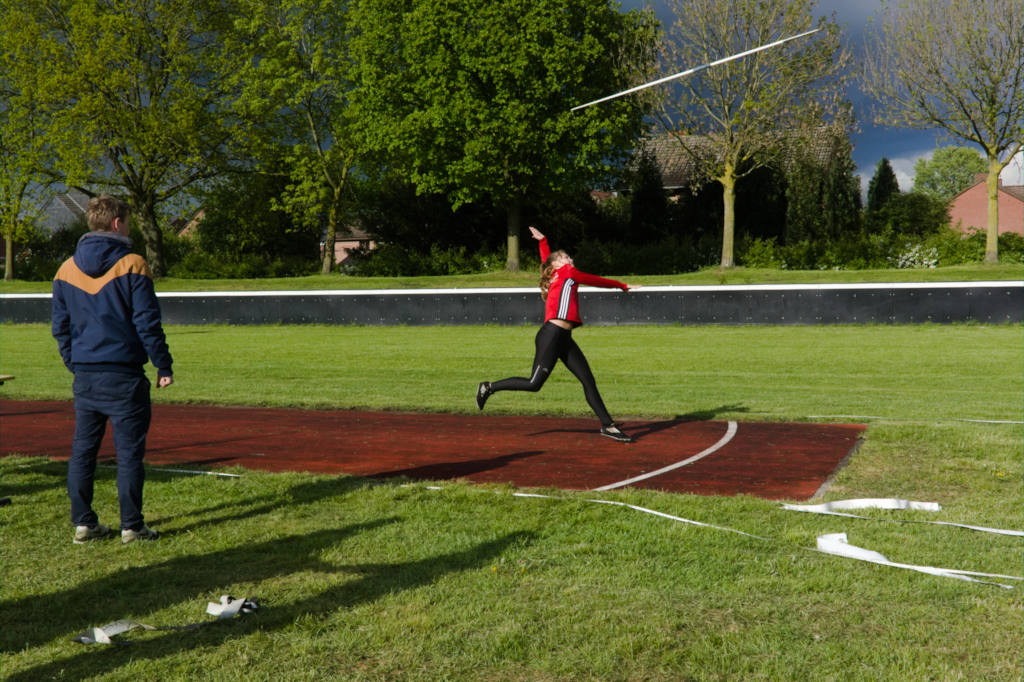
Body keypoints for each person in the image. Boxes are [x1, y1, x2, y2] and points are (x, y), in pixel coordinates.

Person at [52, 194, 174, 545]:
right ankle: (132, 526)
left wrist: (75, 364)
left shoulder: (66, 268)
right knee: (130, 453)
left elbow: (60, 327)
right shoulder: (133, 263)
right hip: (124, 375)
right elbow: (147, 321)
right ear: (117, 223)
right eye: (129, 221)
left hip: (86, 376)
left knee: (83, 451)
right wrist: (162, 363)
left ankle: (84, 523)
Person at [476, 227, 637, 442]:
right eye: (565, 257)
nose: (570, 259)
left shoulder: (558, 273)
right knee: (534, 384)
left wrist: (543, 241)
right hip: (551, 335)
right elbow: (594, 279)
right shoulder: (567, 273)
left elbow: (546, 260)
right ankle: (489, 387)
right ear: (557, 264)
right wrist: (622, 286)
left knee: (588, 380)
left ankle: (608, 426)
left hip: (564, 339)